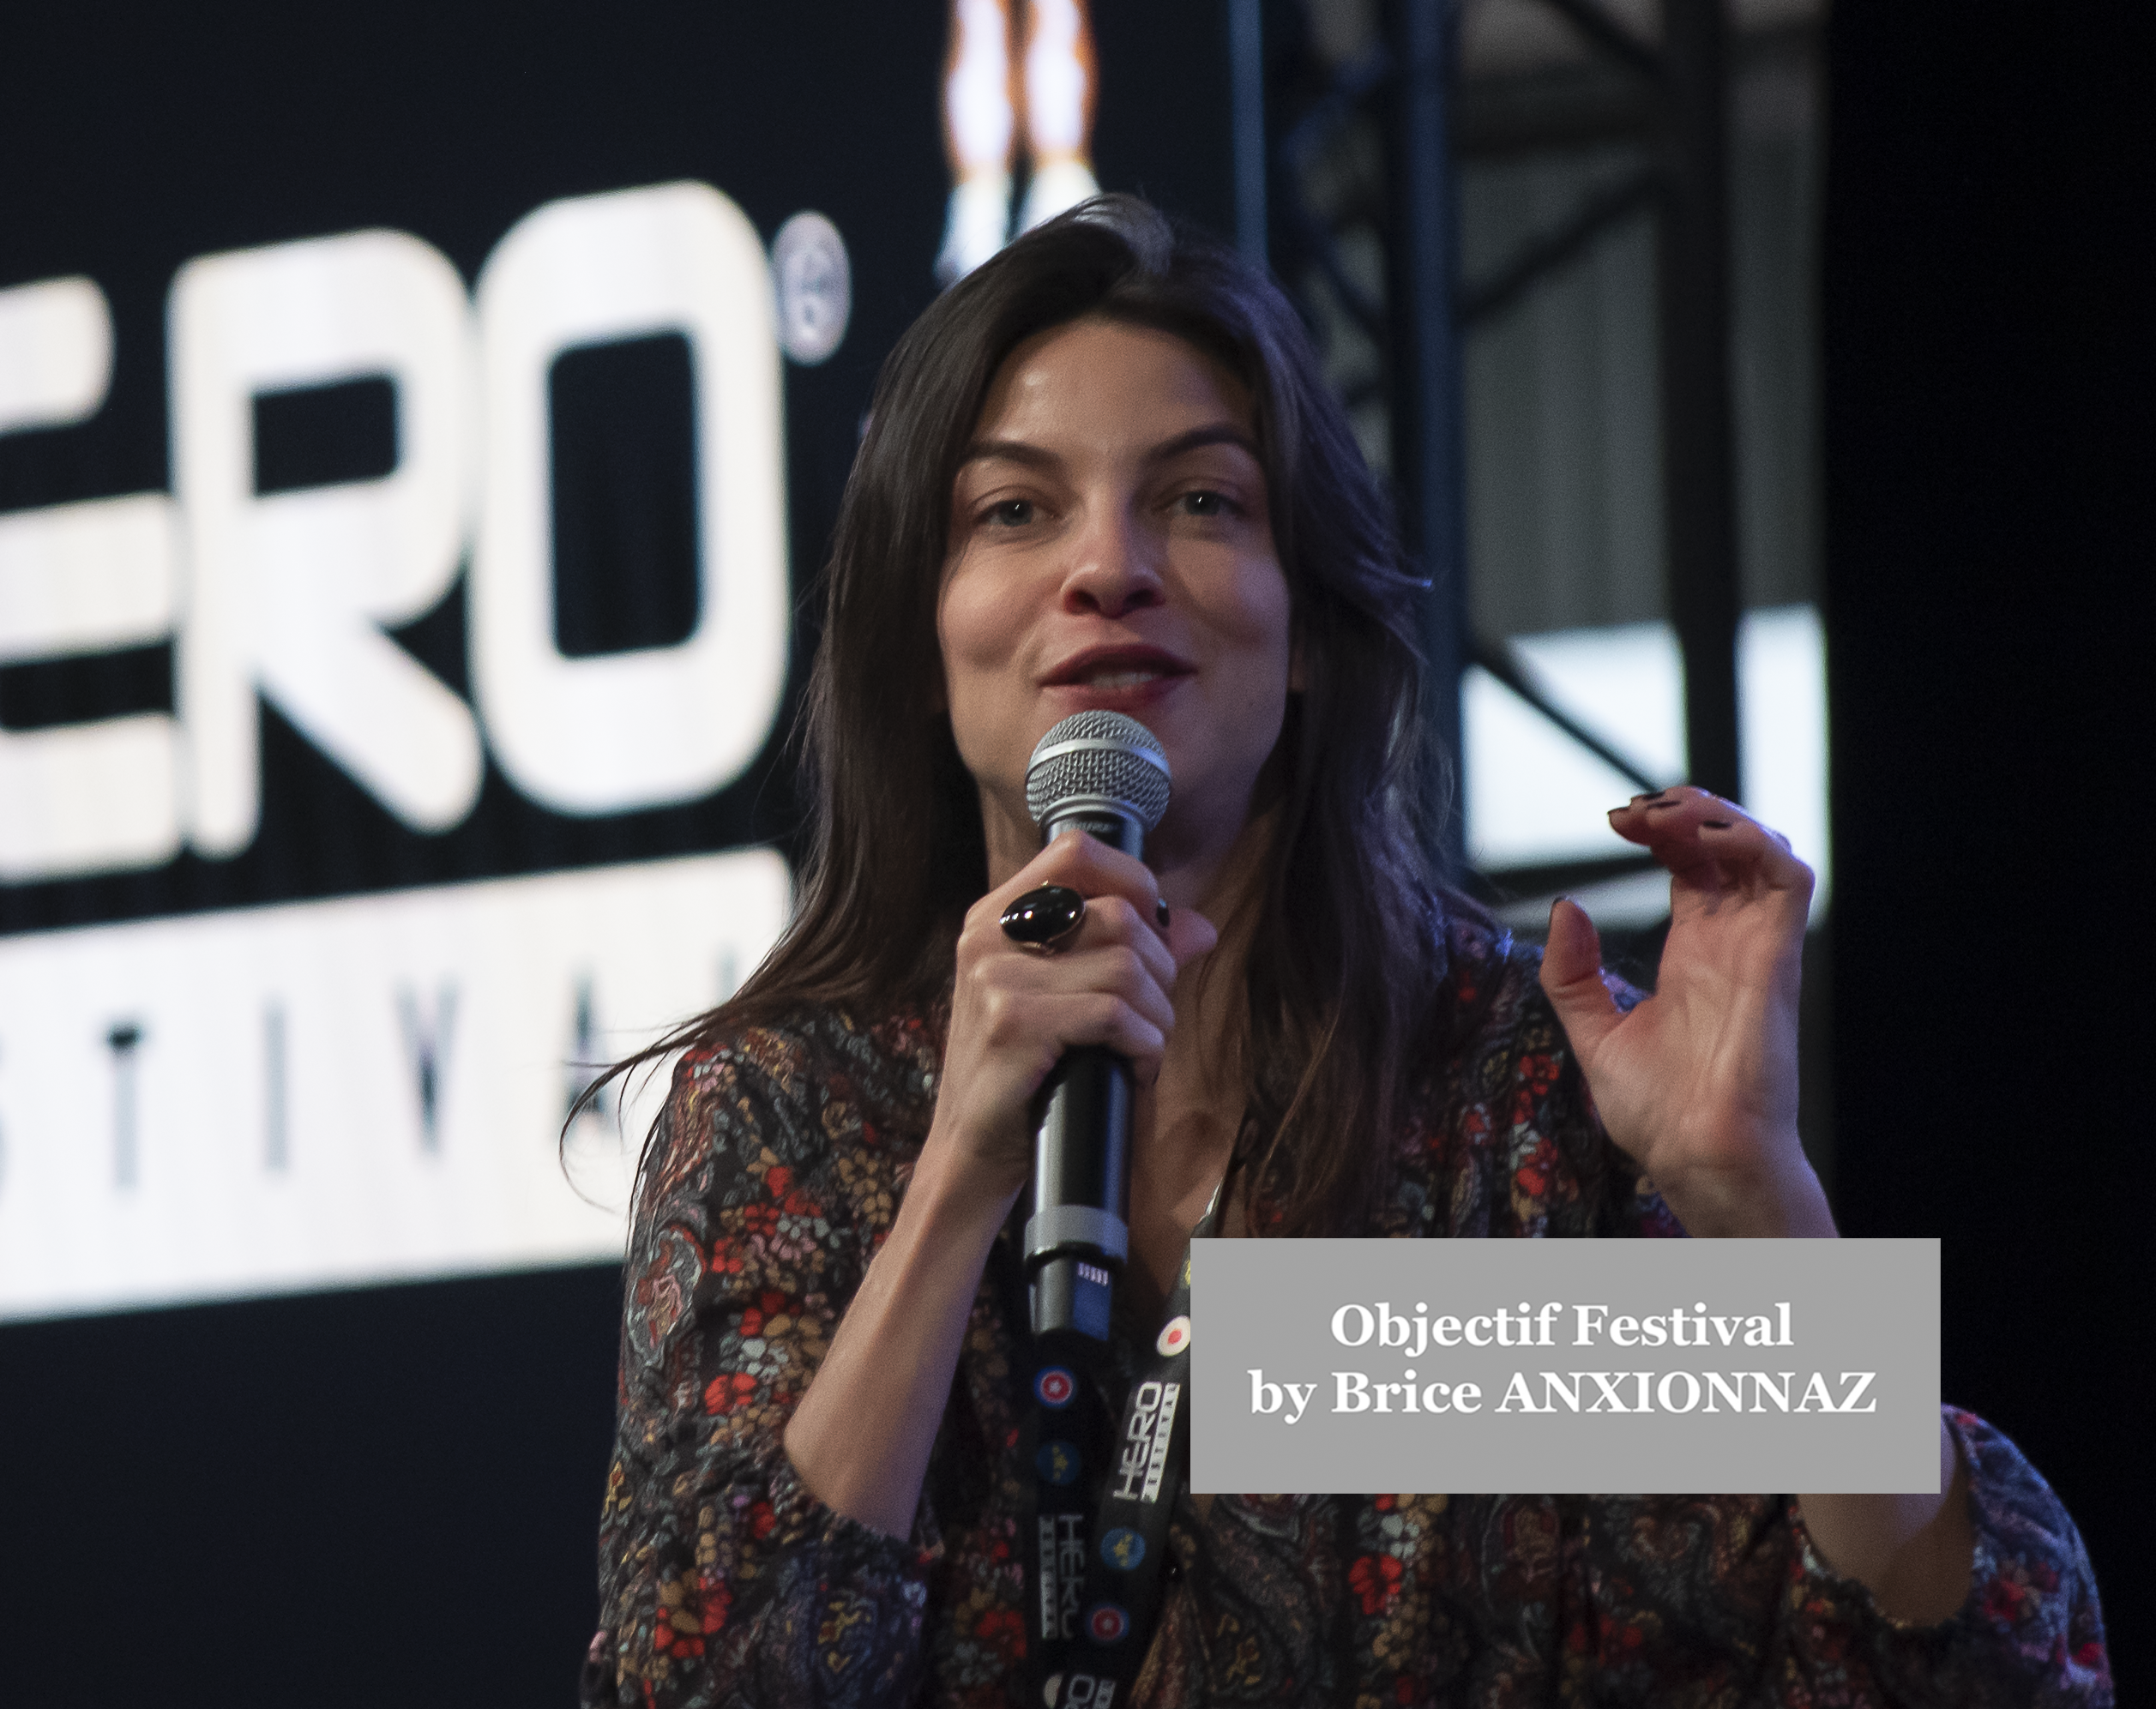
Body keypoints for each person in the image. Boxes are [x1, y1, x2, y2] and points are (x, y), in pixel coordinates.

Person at [583, 197, 2108, 1706]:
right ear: (923, 646)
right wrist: (962, 1172)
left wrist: (1758, 1206)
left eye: (1198, 502)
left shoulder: (1507, 1101)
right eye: (1012, 510)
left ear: (1305, 627)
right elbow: (709, 1681)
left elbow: (1963, 1668)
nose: (1105, 567)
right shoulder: (789, 1113)